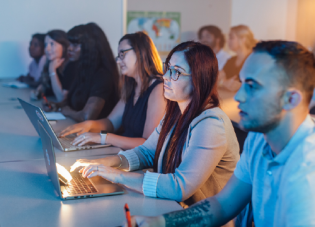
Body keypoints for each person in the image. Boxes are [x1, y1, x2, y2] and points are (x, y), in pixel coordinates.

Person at [127, 41, 315, 227]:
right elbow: (222, 205)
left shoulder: (307, 172)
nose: (238, 96)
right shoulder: (259, 138)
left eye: (252, 86)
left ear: (291, 99)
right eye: (241, 83)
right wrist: (160, 222)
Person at [70, 41, 240, 210]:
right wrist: (104, 163)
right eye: (168, 68)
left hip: (203, 218)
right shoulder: (176, 113)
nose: (165, 76)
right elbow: (147, 152)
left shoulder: (210, 124)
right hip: (174, 208)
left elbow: (179, 187)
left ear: (199, 78)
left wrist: (116, 175)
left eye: (176, 72)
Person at [59, 32, 166, 150]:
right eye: (118, 56)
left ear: (141, 52)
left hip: (140, 162)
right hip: (123, 153)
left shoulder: (158, 89)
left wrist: (104, 137)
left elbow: (147, 143)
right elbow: (111, 122)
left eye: (123, 54)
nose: (118, 61)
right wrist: (87, 125)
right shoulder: (132, 86)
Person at [43, 23, 120, 121]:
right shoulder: (83, 69)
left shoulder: (103, 75)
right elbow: (71, 101)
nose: (69, 48)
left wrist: (66, 111)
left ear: (90, 47)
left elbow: (87, 116)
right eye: (70, 44)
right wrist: (55, 105)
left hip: (96, 134)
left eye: (75, 45)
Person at [31, 30, 71, 102]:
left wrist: (52, 71)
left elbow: (61, 99)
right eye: (46, 45)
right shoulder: (50, 63)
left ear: (64, 46)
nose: (47, 49)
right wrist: (38, 91)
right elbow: (46, 86)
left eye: (52, 44)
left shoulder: (71, 67)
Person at [219, 25, 256, 92]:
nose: (227, 41)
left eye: (231, 37)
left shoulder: (254, 60)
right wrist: (223, 83)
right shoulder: (231, 60)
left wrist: (240, 86)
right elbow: (216, 79)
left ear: (243, 39)